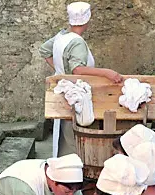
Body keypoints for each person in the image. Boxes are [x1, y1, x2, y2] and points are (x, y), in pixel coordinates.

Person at [39, 2, 124, 157]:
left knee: (64, 134)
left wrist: (60, 72)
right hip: (76, 96)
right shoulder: (77, 42)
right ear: (87, 20)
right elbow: (77, 69)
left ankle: (65, 168)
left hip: (65, 92)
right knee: (76, 137)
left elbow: (44, 50)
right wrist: (106, 73)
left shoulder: (62, 35)